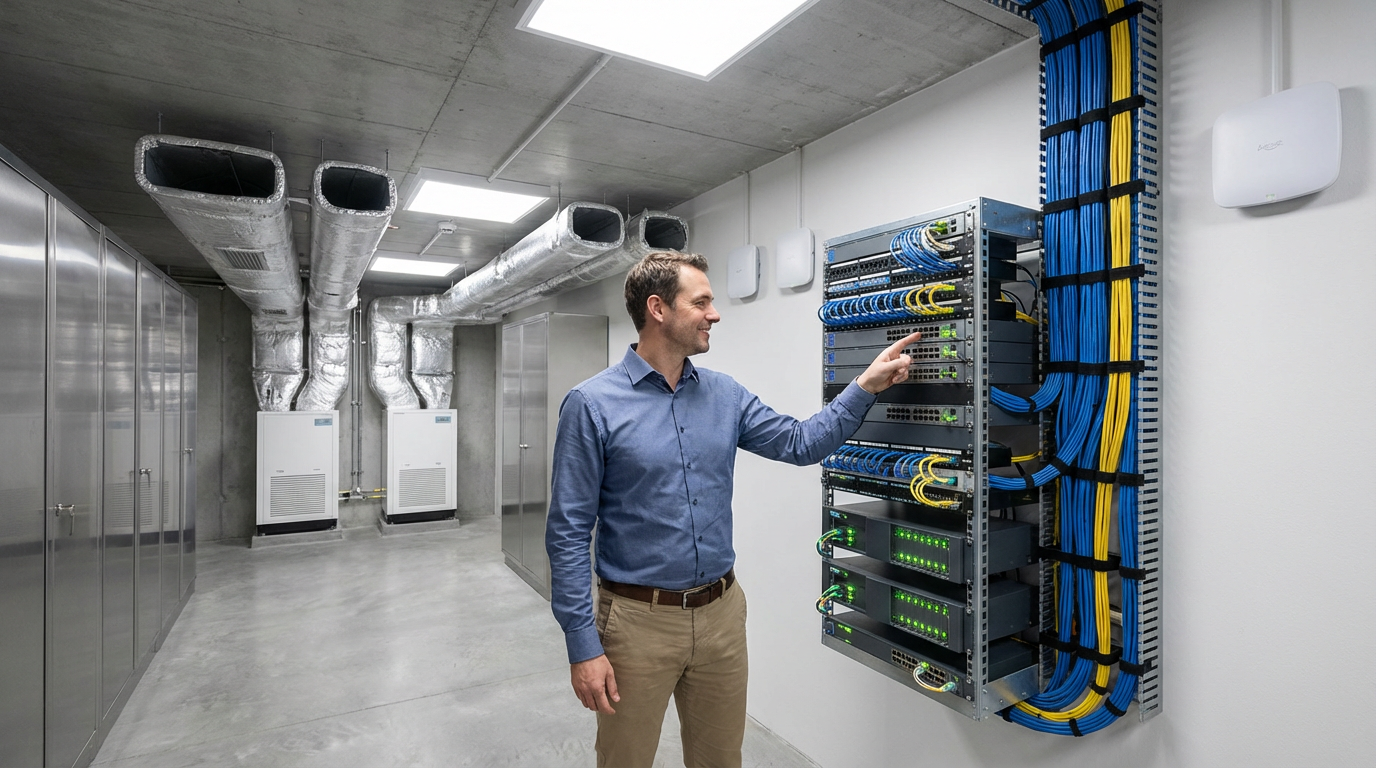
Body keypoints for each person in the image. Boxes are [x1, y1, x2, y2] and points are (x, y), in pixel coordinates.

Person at [545, 250, 920, 768]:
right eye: (701, 302)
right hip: (636, 623)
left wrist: (864, 387)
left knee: (721, 760)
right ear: (657, 308)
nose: (714, 314)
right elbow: (567, 532)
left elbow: (800, 442)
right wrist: (582, 644)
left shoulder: (725, 396)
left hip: (721, 615)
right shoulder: (591, 404)